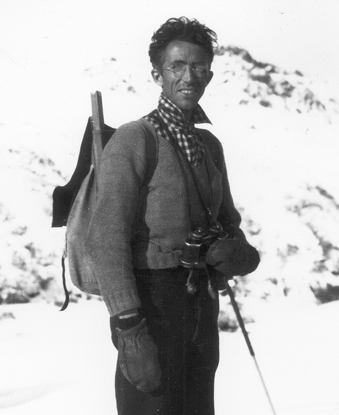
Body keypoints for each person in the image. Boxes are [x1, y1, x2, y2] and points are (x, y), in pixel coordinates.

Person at [85, 17, 260, 415]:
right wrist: (130, 330)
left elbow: (229, 219)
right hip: (150, 308)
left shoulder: (209, 144)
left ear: (210, 75)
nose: (189, 76)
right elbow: (105, 239)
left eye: (198, 67)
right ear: (157, 73)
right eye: (176, 66)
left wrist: (234, 250)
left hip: (200, 307)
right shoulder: (136, 138)